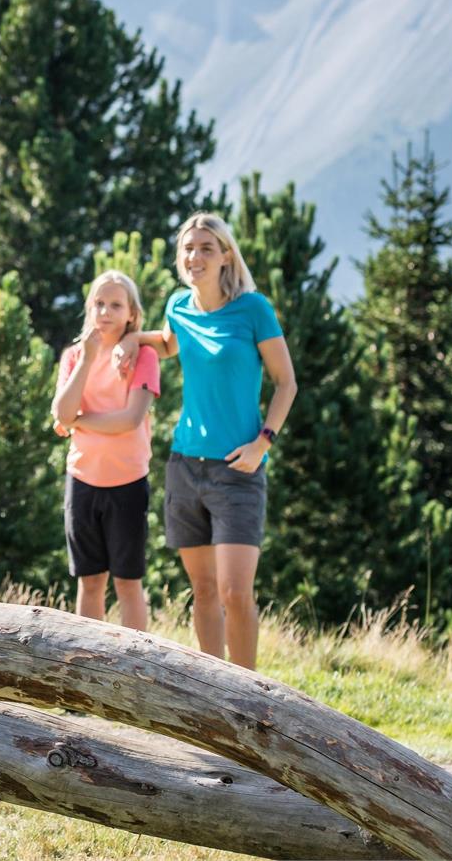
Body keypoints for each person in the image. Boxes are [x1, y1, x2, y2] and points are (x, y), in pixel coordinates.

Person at [115, 214, 298, 669]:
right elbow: (170, 342)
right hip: (184, 468)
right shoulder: (179, 305)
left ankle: (250, 696)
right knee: (204, 592)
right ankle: (211, 695)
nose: (194, 257)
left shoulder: (254, 309)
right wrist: (133, 340)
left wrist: (263, 443)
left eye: (205, 249)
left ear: (225, 256)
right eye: (188, 249)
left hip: (238, 471)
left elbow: (286, 383)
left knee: (236, 593)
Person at [51, 270, 161, 631]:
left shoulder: (143, 356)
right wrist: (86, 360)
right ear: (89, 308)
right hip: (82, 481)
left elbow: (130, 419)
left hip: (128, 481)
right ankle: (89, 664)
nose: (105, 311)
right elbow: (60, 413)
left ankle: (137, 665)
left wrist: (79, 420)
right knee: (90, 581)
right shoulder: (73, 356)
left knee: (128, 582)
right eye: (99, 303)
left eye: (116, 304)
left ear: (132, 313)